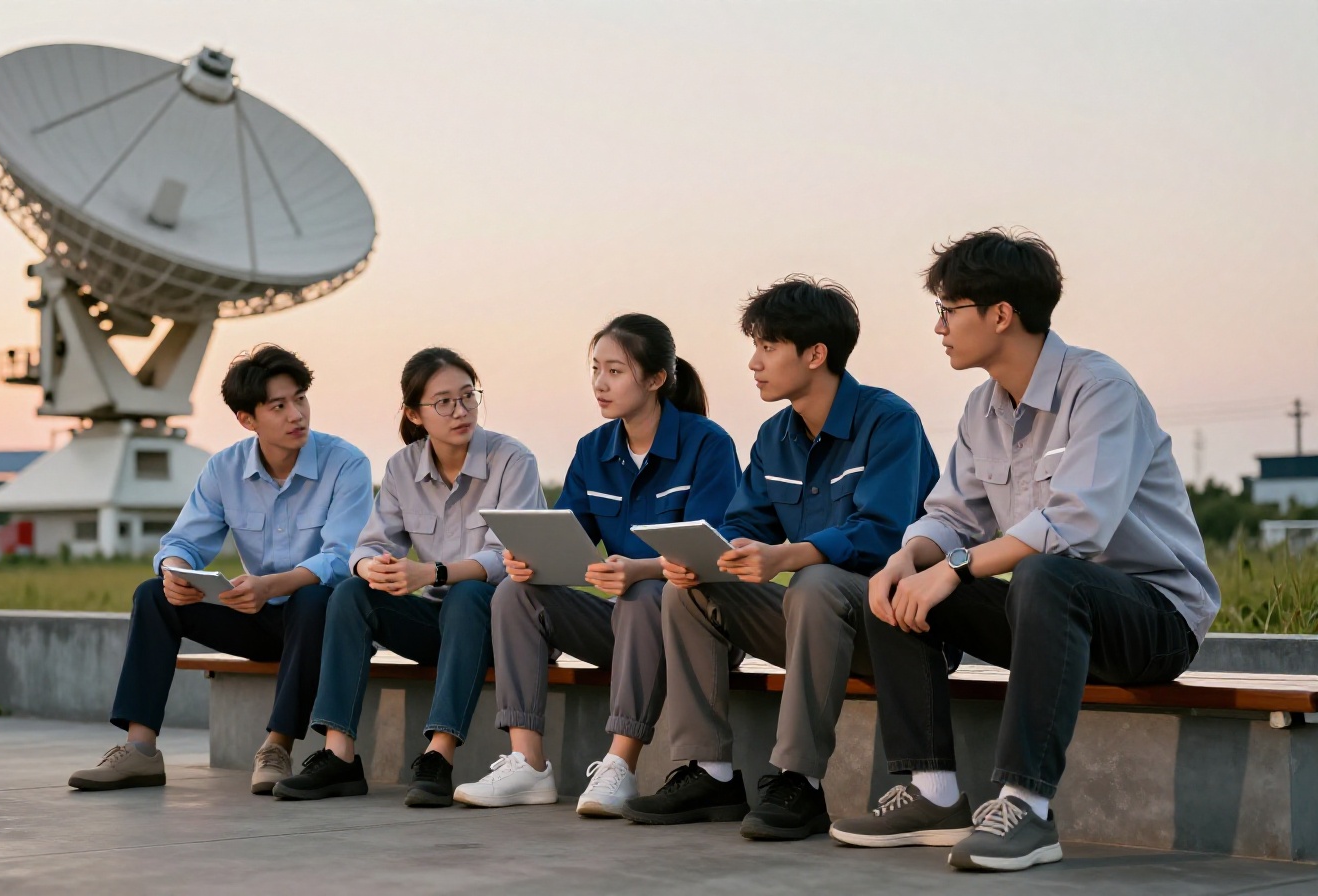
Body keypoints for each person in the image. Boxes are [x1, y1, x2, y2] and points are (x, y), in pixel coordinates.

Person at [828, 229, 1219, 872]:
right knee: (899, 582)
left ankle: (1027, 808)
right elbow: (950, 515)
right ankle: (932, 794)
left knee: (1044, 573)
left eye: (948, 310)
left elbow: (1078, 526)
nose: (938, 328)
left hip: (1150, 622)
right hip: (1051, 625)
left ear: (1001, 314)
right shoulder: (981, 409)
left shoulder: (1100, 389)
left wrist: (954, 568)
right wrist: (907, 559)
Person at [620, 276, 939, 842]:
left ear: (815, 354)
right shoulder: (774, 437)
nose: (754, 363)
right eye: (756, 347)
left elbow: (883, 532)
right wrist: (715, 555)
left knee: (814, 581)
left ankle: (799, 781)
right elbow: (745, 523)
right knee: (687, 589)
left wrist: (788, 555)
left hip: (894, 625)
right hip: (810, 625)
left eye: (768, 347)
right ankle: (710, 773)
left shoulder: (889, 421)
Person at [453, 314, 741, 816]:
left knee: (645, 593)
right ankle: (527, 763)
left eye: (615, 371)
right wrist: (530, 559)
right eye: (595, 369)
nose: (600, 384)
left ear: (655, 379)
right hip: (624, 627)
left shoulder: (707, 444)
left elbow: (709, 553)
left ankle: (619, 766)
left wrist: (640, 570)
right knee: (515, 593)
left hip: (695, 631)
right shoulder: (593, 450)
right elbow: (570, 538)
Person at [68, 345, 373, 794]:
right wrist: (175, 573)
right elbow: (182, 543)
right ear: (247, 419)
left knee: (314, 597)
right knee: (153, 594)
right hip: (258, 617)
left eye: (300, 399)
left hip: (325, 626)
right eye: (279, 406)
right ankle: (140, 750)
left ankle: (277, 747)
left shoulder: (346, 463)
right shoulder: (224, 469)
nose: (297, 415)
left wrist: (270, 585)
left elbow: (342, 557)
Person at [273, 347, 546, 807]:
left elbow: (508, 557)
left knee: (467, 593)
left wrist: (432, 572)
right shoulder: (402, 467)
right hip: (440, 626)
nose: (461, 411)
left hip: (501, 629)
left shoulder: (512, 460)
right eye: (444, 402)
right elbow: (368, 545)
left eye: (468, 397)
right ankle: (338, 755)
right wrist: (372, 567)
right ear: (414, 414)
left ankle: (438, 755)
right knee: (352, 593)